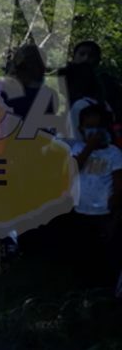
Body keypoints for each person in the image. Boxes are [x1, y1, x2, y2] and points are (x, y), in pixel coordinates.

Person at [66, 104, 122, 292]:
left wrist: (113, 211)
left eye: (98, 127)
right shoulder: (78, 149)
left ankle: (105, 289)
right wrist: (89, 148)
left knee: (105, 255)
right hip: (81, 211)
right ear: (81, 129)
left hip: (104, 214)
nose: (94, 132)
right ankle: (83, 289)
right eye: (89, 127)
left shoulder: (114, 153)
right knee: (83, 254)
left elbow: (118, 183)